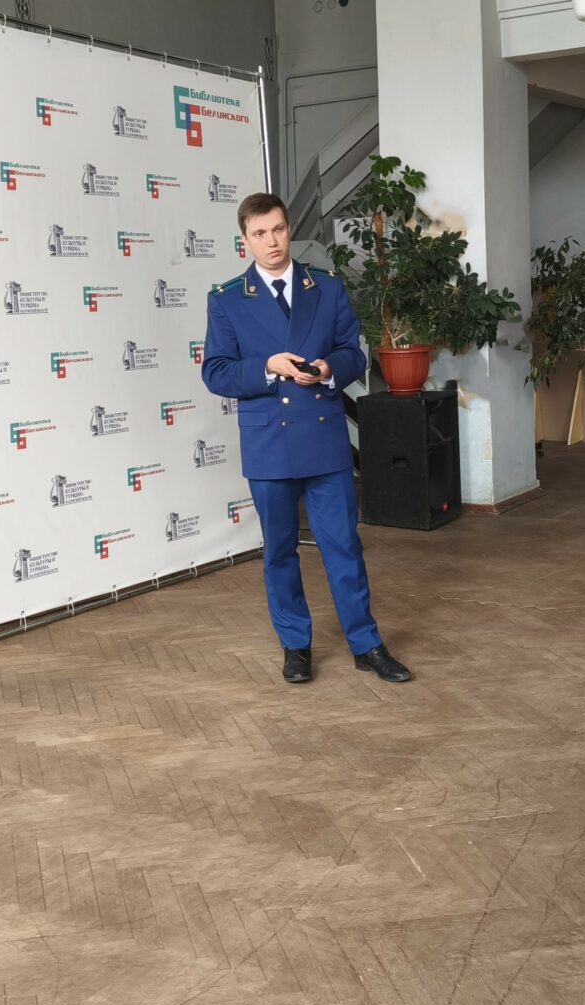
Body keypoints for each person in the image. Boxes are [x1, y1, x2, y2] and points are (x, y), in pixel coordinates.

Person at [199, 193, 411, 684]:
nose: (271, 241)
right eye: (259, 234)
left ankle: (366, 644)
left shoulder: (327, 288)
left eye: (278, 229)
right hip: (268, 445)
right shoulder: (227, 299)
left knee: (344, 547)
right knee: (279, 551)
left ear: (288, 229)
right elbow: (216, 372)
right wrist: (267, 367)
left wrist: (328, 369)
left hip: (324, 441)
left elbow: (353, 354)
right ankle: (295, 646)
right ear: (245, 239)